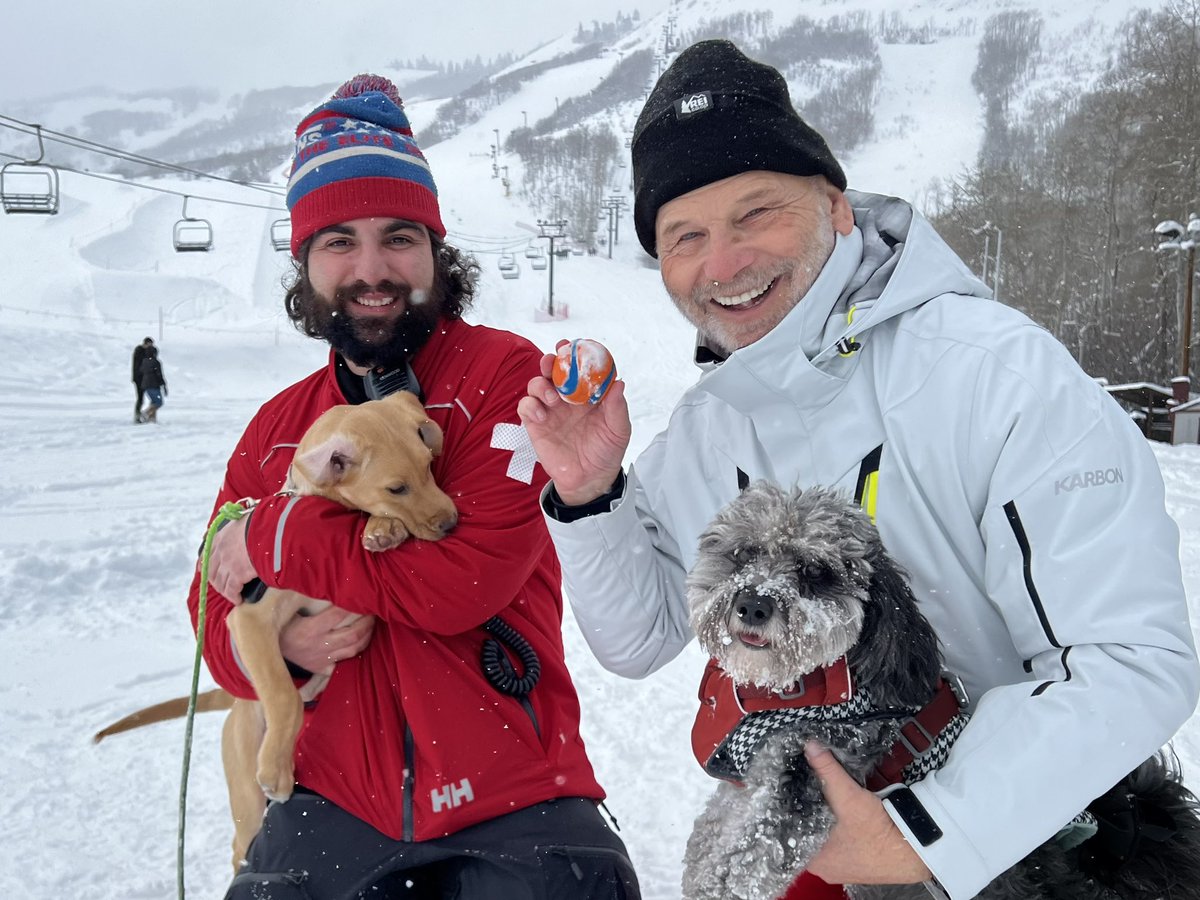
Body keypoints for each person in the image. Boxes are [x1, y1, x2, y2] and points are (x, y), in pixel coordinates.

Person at [517, 39, 1200, 900]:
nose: (723, 265)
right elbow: (641, 634)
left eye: (755, 213)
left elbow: (1130, 659)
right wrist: (590, 493)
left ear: (836, 206)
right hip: (828, 836)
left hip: (1040, 851)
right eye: (684, 236)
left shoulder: (995, 375)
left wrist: (921, 835)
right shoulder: (711, 424)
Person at [193, 74, 640, 900]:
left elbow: (460, 581)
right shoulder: (274, 430)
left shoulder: (506, 378)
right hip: (332, 797)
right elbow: (216, 636)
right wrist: (282, 652)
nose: (371, 269)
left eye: (399, 237)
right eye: (339, 243)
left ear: (435, 251)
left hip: (515, 792)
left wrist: (272, 540)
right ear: (305, 263)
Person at [138, 343, 167, 423]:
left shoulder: (144, 361)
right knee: (159, 402)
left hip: (145, 385)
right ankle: (145, 413)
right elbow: (159, 374)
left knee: (153, 402)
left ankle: (152, 419)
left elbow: (141, 371)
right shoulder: (156, 362)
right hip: (154, 384)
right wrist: (163, 384)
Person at [131, 336, 154, 423]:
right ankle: (137, 415)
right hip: (139, 378)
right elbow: (141, 364)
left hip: (145, 379)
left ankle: (147, 414)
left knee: (151, 397)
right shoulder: (139, 351)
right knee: (140, 398)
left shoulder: (146, 352)